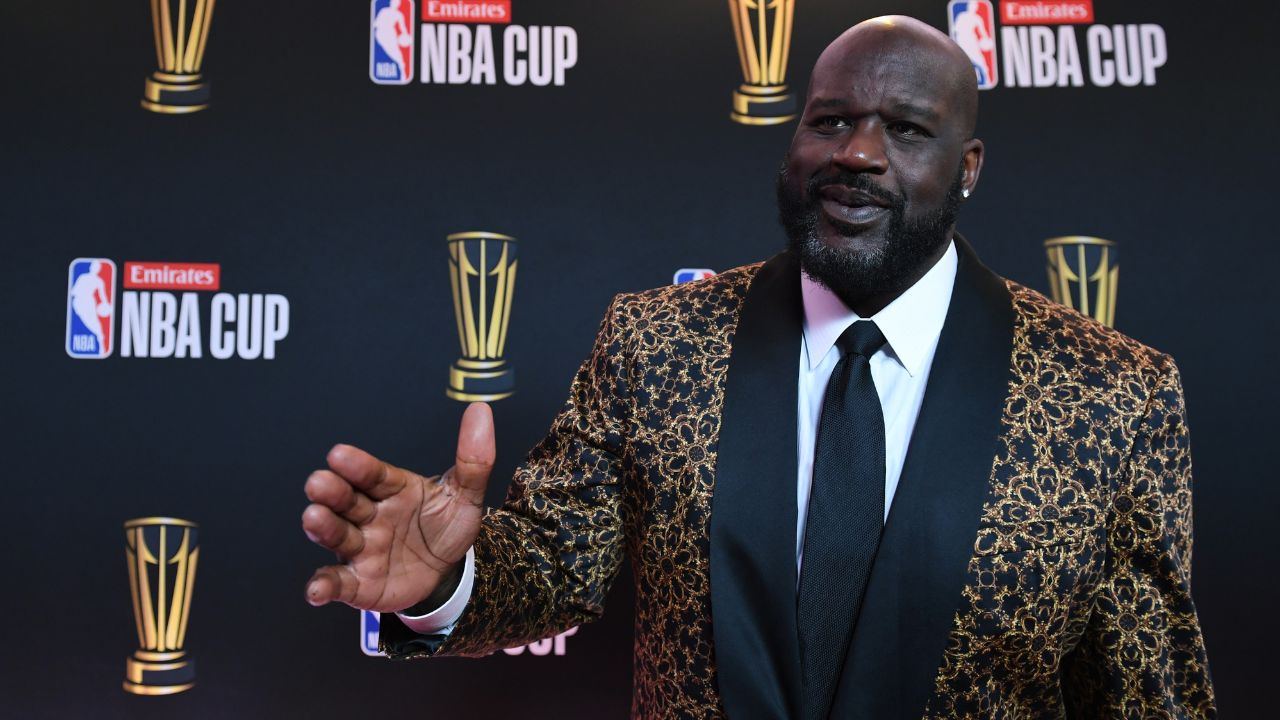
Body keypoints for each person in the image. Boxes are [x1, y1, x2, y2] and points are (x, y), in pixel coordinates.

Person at [302, 15, 1216, 719]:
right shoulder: (659, 341)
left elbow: (1148, 694)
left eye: (904, 129)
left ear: (967, 166)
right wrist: (444, 582)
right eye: (832, 121)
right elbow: (555, 564)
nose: (857, 154)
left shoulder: (1111, 394)